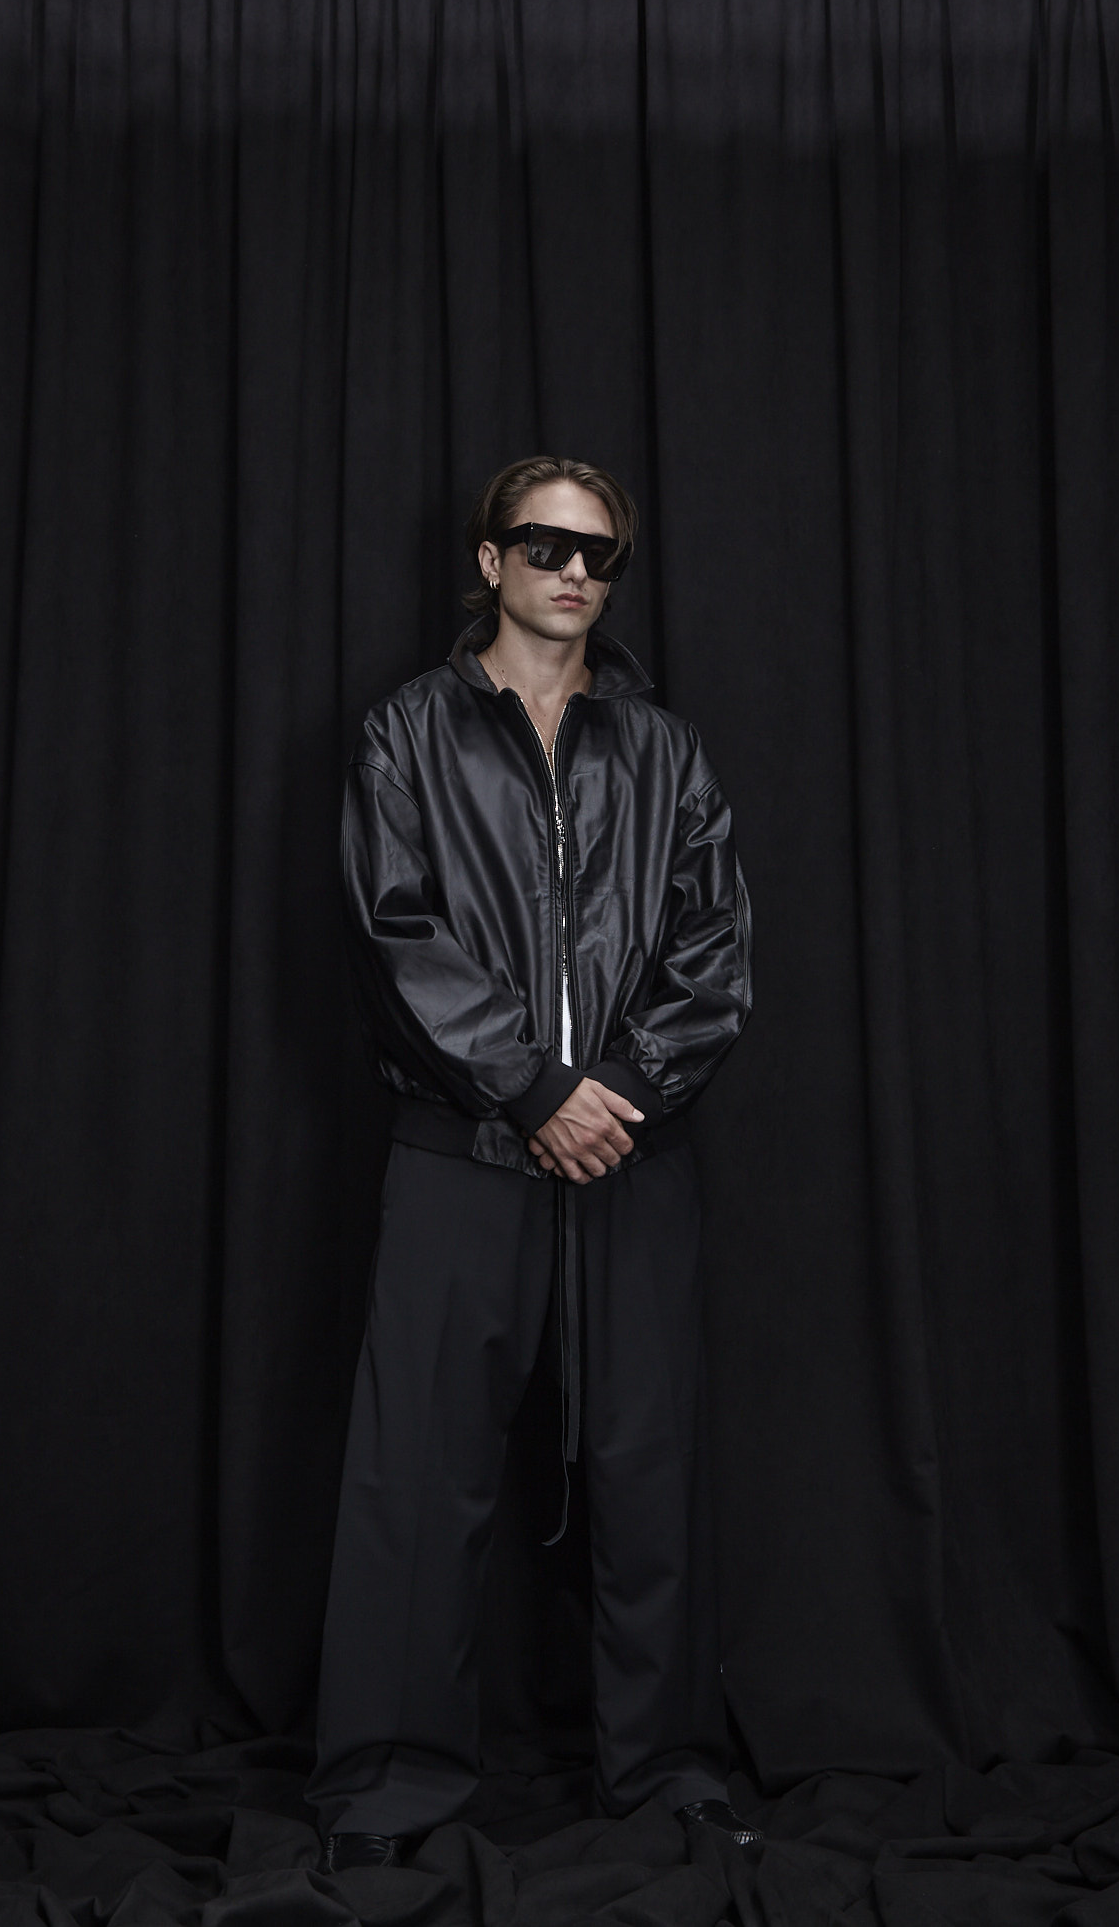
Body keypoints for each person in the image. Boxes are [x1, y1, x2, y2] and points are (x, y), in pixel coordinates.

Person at [306, 455, 758, 1869]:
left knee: (652, 1471)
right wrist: (534, 1088)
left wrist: (617, 1094)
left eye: (598, 554)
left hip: (629, 1154)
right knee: (418, 1476)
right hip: (465, 1151)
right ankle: (386, 1786)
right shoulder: (406, 733)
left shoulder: (665, 751)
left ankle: (670, 1768)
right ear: (489, 558)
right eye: (545, 544)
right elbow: (396, 935)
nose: (573, 572)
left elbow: (715, 949)